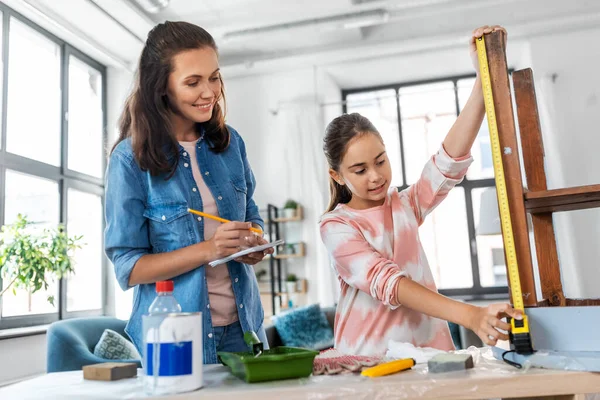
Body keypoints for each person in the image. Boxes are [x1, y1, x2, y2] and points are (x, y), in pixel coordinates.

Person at [319, 25, 522, 356]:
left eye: (380, 161)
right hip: (368, 363)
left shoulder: (403, 205)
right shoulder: (336, 227)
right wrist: (470, 314)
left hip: (430, 356)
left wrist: (485, 74)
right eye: (359, 170)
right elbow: (389, 282)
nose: (375, 176)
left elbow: (447, 162)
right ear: (337, 175)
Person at [104, 21, 272, 364]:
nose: (209, 91)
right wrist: (210, 249)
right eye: (193, 82)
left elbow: (250, 215)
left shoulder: (230, 144)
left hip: (245, 329)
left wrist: (253, 242)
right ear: (161, 87)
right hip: (174, 335)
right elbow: (129, 268)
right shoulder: (129, 159)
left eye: (214, 77)